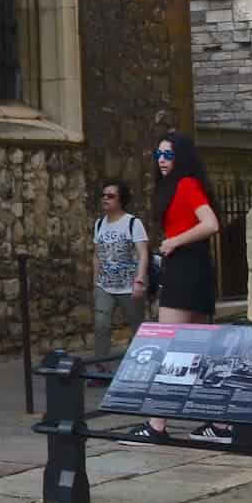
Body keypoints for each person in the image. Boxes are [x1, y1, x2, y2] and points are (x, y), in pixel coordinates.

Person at [125, 132, 223, 442]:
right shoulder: (176, 186)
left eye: (168, 155)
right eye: (159, 155)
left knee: (167, 347)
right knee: (197, 352)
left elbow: (211, 223)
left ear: (181, 157)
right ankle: (220, 425)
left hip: (185, 269)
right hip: (191, 268)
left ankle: (156, 425)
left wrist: (173, 242)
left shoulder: (187, 184)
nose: (163, 161)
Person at [91, 180, 148, 364]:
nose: (105, 199)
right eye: (103, 195)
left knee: (137, 327)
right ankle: (100, 367)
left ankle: (139, 363)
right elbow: (97, 254)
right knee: (101, 325)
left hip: (129, 286)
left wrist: (139, 281)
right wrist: (95, 281)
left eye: (111, 196)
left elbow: (143, 253)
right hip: (104, 286)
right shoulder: (99, 224)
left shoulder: (133, 223)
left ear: (121, 200)